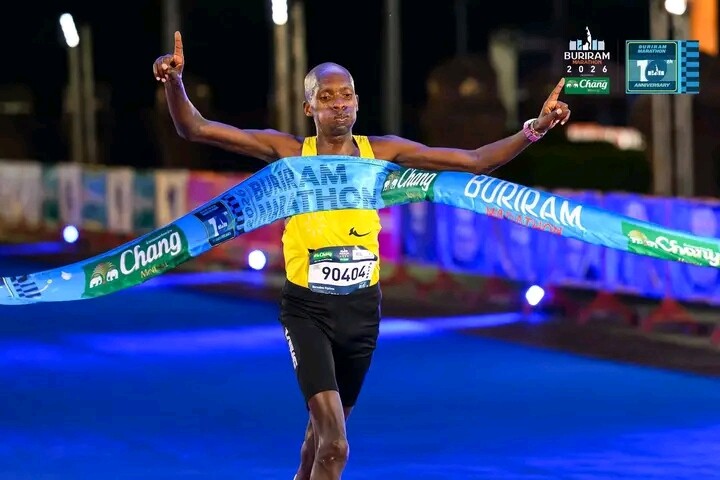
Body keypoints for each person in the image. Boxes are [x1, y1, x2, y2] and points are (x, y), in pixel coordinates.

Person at [153, 31, 571, 480]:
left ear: (357, 102)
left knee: (319, 440)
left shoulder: (383, 152)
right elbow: (195, 128)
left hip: (362, 311)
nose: (339, 104)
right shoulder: (290, 153)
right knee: (335, 445)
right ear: (309, 108)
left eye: (346, 94)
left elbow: (474, 160)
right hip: (307, 311)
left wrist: (535, 128)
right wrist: (175, 83)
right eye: (326, 97)